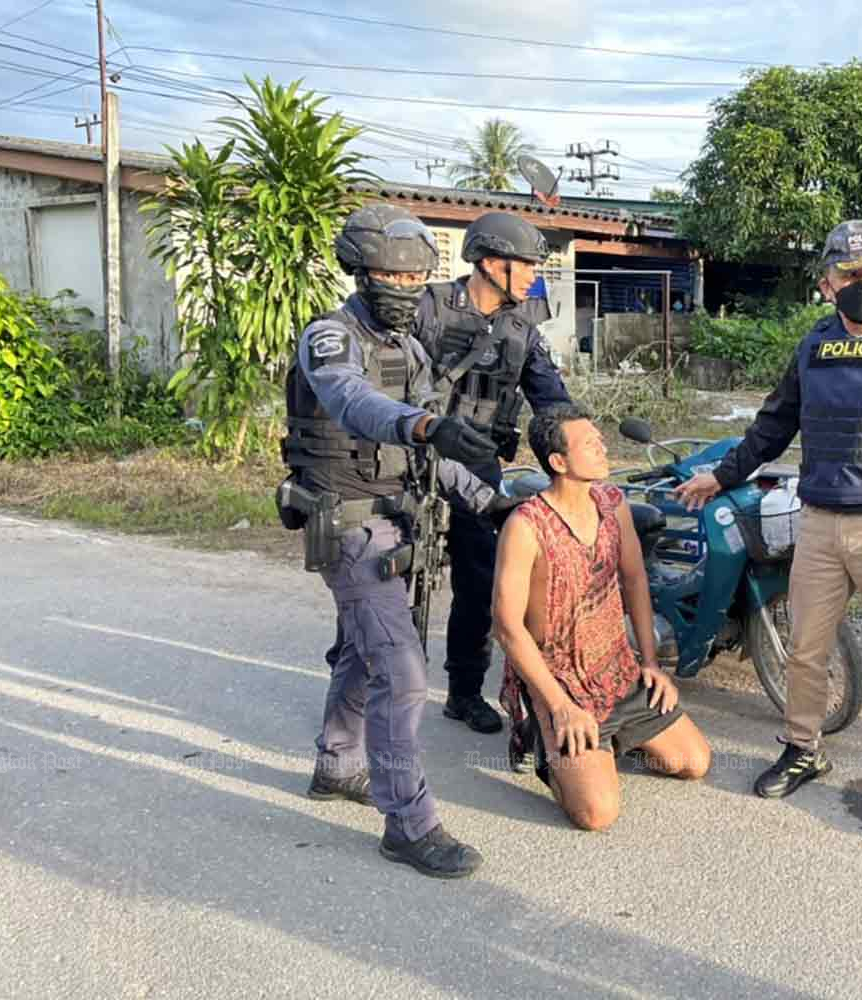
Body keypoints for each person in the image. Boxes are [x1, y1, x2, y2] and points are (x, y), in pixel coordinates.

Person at [674, 220, 862, 843]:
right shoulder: (814, 345)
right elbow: (772, 425)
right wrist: (720, 474)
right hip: (818, 522)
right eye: (849, 274)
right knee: (806, 651)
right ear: (826, 283)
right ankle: (803, 747)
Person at [284, 202, 518, 879]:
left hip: (400, 513)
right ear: (361, 271)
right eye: (390, 274)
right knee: (405, 672)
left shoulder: (408, 348)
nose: (404, 289)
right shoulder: (332, 340)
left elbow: (430, 452)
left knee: (365, 649)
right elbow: (352, 403)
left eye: (415, 280)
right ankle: (408, 825)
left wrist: (487, 501)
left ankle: (337, 762)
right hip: (348, 519)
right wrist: (421, 426)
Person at [492, 403, 712, 830]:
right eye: (589, 444)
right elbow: (507, 626)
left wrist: (650, 663)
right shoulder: (526, 524)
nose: (603, 447)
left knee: (693, 762)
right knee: (597, 814)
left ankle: (605, 743)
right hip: (559, 681)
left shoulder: (614, 504)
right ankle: (543, 738)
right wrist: (559, 706)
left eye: (599, 439)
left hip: (616, 669)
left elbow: (634, 582)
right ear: (559, 462)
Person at [414, 212, 573, 735]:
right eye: (523, 264)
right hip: (412, 452)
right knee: (385, 571)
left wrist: (575, 443)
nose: (532, 275)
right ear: (488, 263)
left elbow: (550, 396)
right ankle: (372, 681)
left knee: (481, 578)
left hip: (479, 461)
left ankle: (463, 691)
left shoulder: (522, 327)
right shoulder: (428, 309)